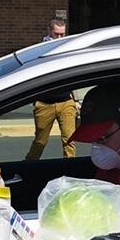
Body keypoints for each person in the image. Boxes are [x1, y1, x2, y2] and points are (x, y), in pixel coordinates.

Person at [26, 13, 76, 159]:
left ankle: (70, 170)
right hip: (44, 103)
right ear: (49, 31)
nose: (60, 38)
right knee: (40, 141)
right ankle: (27, 166)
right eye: (56, 34)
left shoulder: (69, 49)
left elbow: (72, 74)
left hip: (66, 101)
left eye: (63, 34)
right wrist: (34, 99)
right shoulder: (40, 50)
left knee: (69, 141)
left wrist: (76, 100)